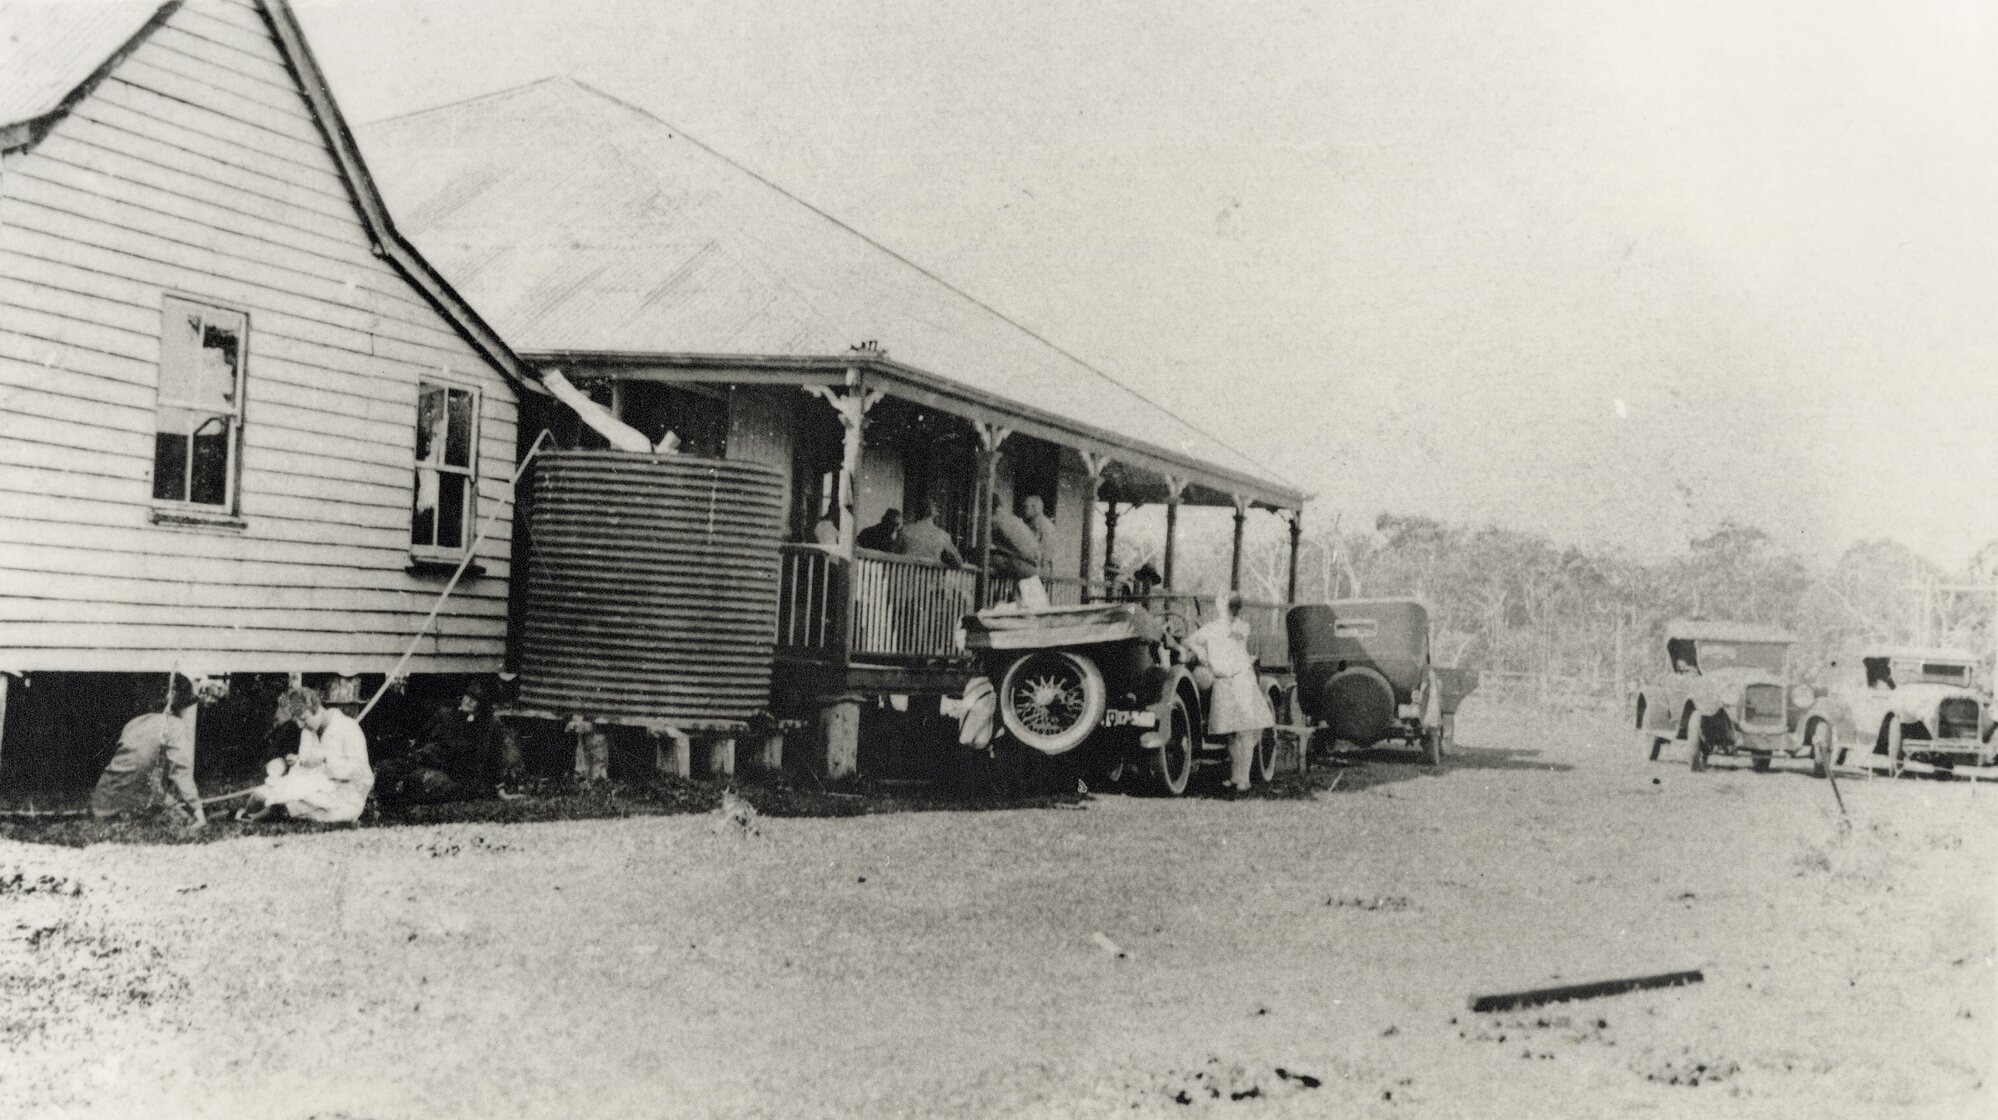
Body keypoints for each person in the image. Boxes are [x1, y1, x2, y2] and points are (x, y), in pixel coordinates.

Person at [1182, 592, 1275, 795]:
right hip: (1223, 682)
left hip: (1241, 680)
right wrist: (1200, 650)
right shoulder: (1213, 628)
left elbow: (1225, 634)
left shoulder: (1238, 627)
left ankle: (1244, 779)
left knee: (1245, 731)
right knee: (1232, 733)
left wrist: (1201, 647)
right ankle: (1235, 777)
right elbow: (1189, 641)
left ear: (1225, 605)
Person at [240, 686, 374, 824]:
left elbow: (361, 774)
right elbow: (306, 766)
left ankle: (259, 816)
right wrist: (299, 762)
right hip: (317, 787)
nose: (300, 725)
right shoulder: (308, 731)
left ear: (316, 708)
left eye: (303, 718)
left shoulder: (348, 727)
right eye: (297, 721)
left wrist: (327, 760)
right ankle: (250, 813)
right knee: (262, 794)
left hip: (346, 795)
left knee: (298, 805)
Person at [92, 674, 206, 826]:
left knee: (164, 800)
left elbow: (136, 767)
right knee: (178, 816)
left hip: (102, 800)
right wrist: (197, 808)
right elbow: (180, 770)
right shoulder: (173, 725)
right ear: (182, 705)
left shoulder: (135, 722)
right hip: (127, 807)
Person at [376, 681, 492, 808]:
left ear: (480, 707)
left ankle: (399, 803)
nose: (468, 701)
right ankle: (385, 806)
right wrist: (419, 753)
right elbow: (423, 737)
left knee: (418, 780)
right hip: (424, 760)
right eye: (467, 696)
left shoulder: (479, 728)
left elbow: (466, 758)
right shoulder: (446, 714)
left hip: (448, 772)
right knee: (386, 767)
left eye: (474, 700)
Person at [896, 498, 966, 567]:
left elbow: (893, 555)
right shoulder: (943, 535)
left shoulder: (904, 530)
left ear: (916, 511)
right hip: (932, 573)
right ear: (935, 513)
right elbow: (959, 561)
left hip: (906, 572)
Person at [987, 493, 1042, 579]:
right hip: (1033, 566)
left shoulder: (996, 520)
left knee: (982, 556)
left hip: (1024, 565)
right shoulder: (1012, 519)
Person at [1021, 495, 1057, 575]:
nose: (1023, 510)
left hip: (1040, 572)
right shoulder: (1029, 524)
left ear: (1035, 508)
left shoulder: (1046, 527)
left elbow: (1046, 556)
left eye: (1026, 507)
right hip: (1029, 569)